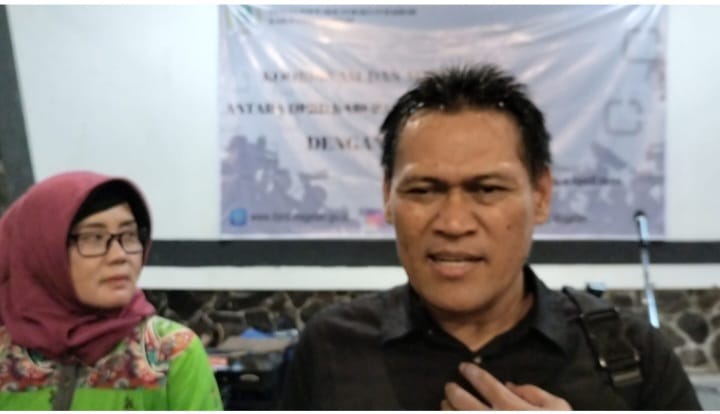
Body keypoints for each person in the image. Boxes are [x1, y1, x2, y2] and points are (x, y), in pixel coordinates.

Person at [279, 64, 701, 410]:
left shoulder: (632, 355)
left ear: (540, 195)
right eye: (423, 190)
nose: (453, 223)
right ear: (388, 196)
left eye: (487, 189)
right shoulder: (331, 348)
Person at [0, 171, 223, 410]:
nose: (120, 255)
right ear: (42, 251)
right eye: (93, 237)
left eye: (129, 235)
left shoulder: (172, 352)